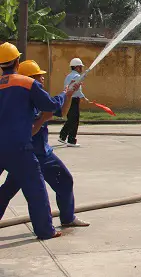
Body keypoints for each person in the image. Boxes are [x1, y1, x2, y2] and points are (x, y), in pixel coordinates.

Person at [0, 59, 89, 229]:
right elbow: (30, 131)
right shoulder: (26, 102)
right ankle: (50, 226)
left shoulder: (40, 97)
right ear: (30, 78)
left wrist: (68, 94)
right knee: (10, 191)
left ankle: (67, 218)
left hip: (41, 153)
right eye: (38, 76)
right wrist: (42, 119)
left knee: (65, 181)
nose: (42, 78)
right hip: (29, 156)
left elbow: (61, 111)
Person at [0, 42, 64, 240]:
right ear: (17, 62)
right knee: (36, 190)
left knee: (7, 189)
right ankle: (45, 230)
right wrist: (64, 94)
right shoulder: (27, 83)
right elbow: (50, 105)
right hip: (19, 148)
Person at [59, 57, 90, 148]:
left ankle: (62, 136)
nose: (82, 68)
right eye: (81, 67)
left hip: (67, 99)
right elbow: (77, 89)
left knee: (70, 119)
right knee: (74, 120)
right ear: (77, 67)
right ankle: (71, 140)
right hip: (74, 100)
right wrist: (83, 97)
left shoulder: (68, 76)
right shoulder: (76, 76)